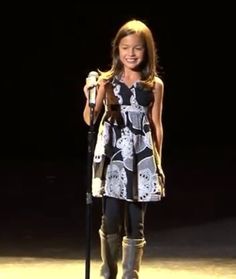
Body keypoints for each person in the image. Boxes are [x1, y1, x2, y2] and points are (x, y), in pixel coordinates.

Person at [83, 19, 165, 279]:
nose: (131, 53)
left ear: (147, 51)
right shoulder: (107, 81)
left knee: (135, 221)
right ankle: (109, 270)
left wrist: (158, 164)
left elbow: (156, 124)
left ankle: (131, 274)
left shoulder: (154, 84)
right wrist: (89, 97)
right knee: (110, 218)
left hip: (141, 161)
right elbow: (91, 119)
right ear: (117, 49)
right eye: (125, 47)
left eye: (137, 48)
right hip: (114, 159)